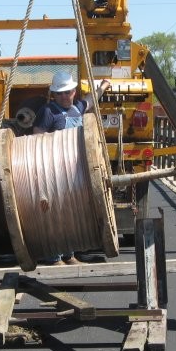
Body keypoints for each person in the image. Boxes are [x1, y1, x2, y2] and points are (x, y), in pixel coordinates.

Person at [33, 71, 110, 265]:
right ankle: (54, 256)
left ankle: (69, 255)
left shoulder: (78, 108)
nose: (64, 96)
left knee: (72, 212)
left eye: (67, 92)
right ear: (54, 95)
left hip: (76, 170)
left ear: (74, 91)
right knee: (55, 213)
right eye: (59, 93)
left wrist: (103, 87)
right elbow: (37, 138)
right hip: (54, 170)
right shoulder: (48, 112)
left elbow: (91, 100)